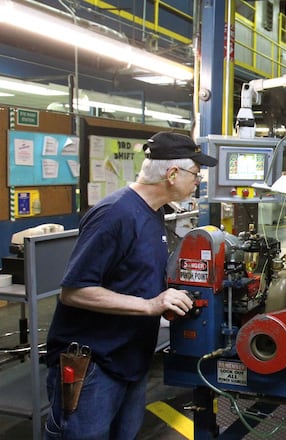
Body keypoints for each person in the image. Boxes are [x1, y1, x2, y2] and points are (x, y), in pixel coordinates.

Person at [44, 131, 217, 439]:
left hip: (130, 358)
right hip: (94, 364)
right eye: (195, 172)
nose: (199, 180)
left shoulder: (153, 214)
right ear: (172, 173)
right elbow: (74, 291)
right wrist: (151, 305)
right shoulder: (115, 214)